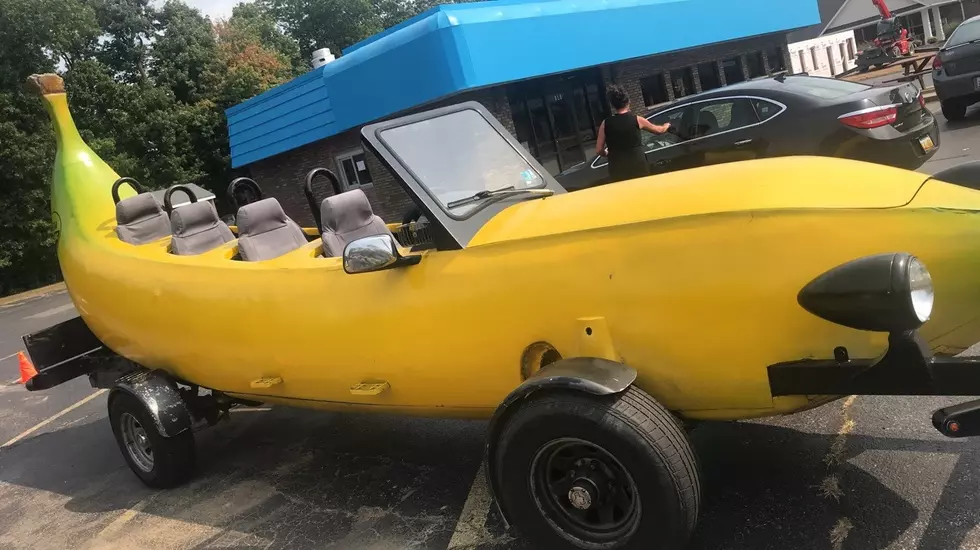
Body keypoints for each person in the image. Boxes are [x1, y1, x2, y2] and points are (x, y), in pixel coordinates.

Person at [595, 85, 672, 183]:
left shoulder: (605, 123)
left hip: (617, 167)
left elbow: (598, 150)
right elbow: (659, 131)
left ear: (613, 105)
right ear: (628, 101)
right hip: (638, 165)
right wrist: (667, 125)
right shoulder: (637, 120)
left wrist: (606, 153)